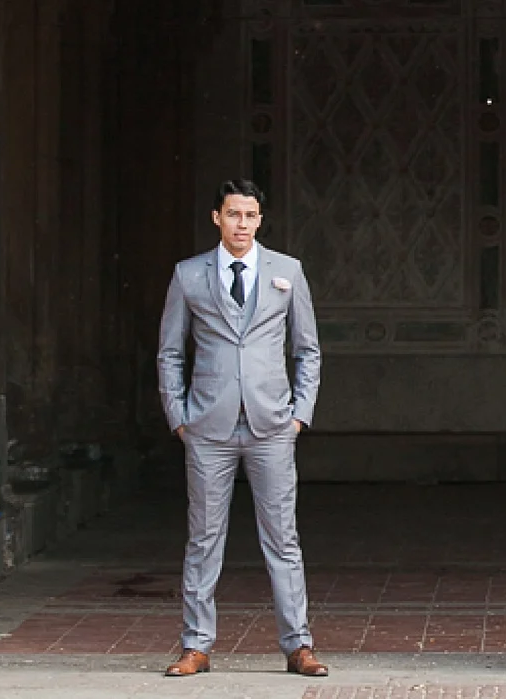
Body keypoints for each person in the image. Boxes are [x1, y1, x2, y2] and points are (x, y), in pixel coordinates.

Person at [156, 180, 327, 678]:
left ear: (260, 220)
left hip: (272, 425)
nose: (242, 224)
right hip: (207, 427)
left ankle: (298, 645)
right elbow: (169, 351)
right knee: (204, 539)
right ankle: (196, 646)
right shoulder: (188, 275)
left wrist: (300, 413)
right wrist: (179, 416)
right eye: (233, 215)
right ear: (217, 218)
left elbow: (307, 348)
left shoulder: (287, 271)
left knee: (282, 538)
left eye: (250, 216)